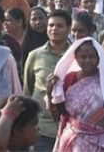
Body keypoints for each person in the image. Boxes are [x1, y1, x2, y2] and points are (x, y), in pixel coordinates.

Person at [47, 37, 104, 152]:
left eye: (92, 57)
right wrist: (50, 93)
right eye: (83, 57)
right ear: (76, 57)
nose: (88, 60)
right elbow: (58, 115)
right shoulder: (68, 79)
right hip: (75, 143)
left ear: (99, 58)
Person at [22, 9, 72, 151]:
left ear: (68, 29)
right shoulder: (35, 56)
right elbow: (28, 90)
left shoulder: (76, 56)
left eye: (59, 26)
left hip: (70, 127)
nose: (54, 29)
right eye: (51, 25)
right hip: (42, 128)